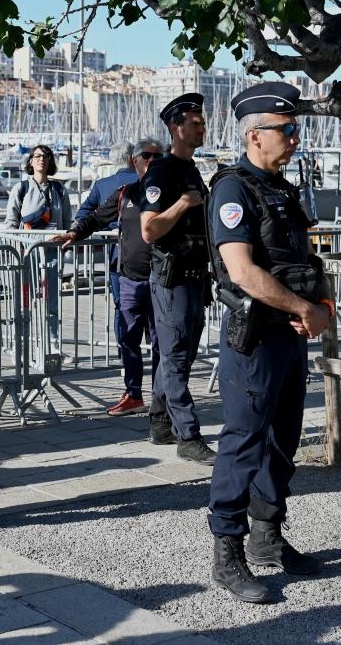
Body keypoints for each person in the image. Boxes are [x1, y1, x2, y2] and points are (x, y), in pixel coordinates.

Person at [207, 81, 332, 603]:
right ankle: (228, 554)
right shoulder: (234, 190)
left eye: (296, 127)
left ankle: (267, 538)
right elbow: (241, 270)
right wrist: (302, 308)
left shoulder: (283, 189)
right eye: (287, 129)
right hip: (256, 336)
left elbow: (307, 260)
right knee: (244, 442)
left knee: (283, 441)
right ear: (255, 135)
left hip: (291, 335)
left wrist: (320, 306)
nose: (296, 137)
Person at [52, 138, 165, 416]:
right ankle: (134, 394)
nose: (151, 161)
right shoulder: (125, 192)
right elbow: (96, 218)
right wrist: (75, 233)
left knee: (162, 343)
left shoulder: (173, 193)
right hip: (129, 278)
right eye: (146, 156)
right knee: (127, 338)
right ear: (134, 161)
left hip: (163, 280)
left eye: (157, 157)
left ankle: (163, 400)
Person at [139, 93, 217, 466]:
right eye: (195, 123)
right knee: (174, 357)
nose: (202, 128)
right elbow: (149, 230)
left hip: (195, 278)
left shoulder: (191, 170)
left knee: (178, 357)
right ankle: (188, 435)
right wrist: (183, 204)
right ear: (176, 128)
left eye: (202, 122)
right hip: (172, 280)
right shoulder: (161, 172)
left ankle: (159, 422)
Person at [75, 143, 138, 370]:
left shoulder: (102, 185)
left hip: (116, 256)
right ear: (134, 158)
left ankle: (125, 355)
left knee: (121, 306)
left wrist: (105, 228)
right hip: (144, 255)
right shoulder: (143, 182)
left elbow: (83, 214)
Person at [3, 145, 72, 347]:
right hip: (28, 253)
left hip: (51, 252)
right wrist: (18, 248)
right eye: (37, 156)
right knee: (25, 300)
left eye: (46, 156)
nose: (42, 159)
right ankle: (22, 341)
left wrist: (64, 243)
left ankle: (52, 343)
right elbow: (11, 222)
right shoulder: (21, 188)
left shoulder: (59, 190)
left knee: (51, 301)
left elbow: (67, 223)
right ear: (31, 161)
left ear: (50, 162)